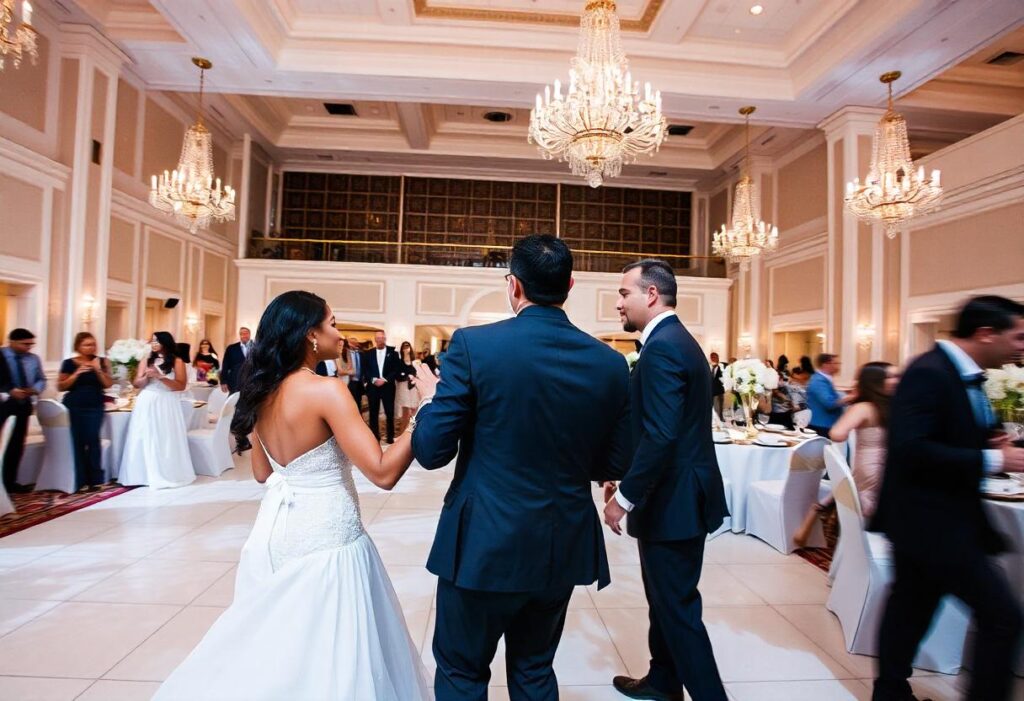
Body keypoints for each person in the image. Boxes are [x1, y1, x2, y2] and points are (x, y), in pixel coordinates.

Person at [155, 291, 431, 701]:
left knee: (287, 638)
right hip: (329, 535)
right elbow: (383, 471)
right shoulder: (327, 391)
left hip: (278, 531)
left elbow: (263, 473)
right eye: (333, 323)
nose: (340, 334)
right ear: (310, 335)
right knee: (333, 649)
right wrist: (425, 408)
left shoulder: (261, 390)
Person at [411, 235, 631, 701]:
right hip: (560, 540)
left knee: (462, 671)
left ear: (514, 286)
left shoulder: (474, 346)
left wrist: (431, 399)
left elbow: (431, 451)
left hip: (483, 542)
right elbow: (614, 461)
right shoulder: (611, 364)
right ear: (570, 285)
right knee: (534, 670)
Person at [870, 296, 1024, 701]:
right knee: (1003, 617)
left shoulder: (966, 376)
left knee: (911, 607)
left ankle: (889, 691)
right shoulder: (929, 372)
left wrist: (990, 439)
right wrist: (994, 459)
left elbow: (953, 431)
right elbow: (910, 449)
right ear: (986, 333)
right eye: (1018, 337)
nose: (1021, 346)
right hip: (931, 520)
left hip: (940, 518)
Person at [604, 259, 729, 701]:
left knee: (677, 610)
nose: (619, 303)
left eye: (624, 293)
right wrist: (621, 473)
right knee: (664, 600)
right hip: (676, 495)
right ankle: (662, 681)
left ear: (652, 294)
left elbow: (661, 435)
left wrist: (625, 497)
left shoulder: (663, 348)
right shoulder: (676, 341)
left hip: (674, 501)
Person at [793, 361, 896, 547]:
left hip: (882, 466)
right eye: (891, 377)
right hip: (873, 469)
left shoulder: (889, 406)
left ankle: (820, 510)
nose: (897, 380)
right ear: (876, 381)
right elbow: (837, 433)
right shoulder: (865, 408)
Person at [117, 332, 195, 489]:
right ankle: (141, 475)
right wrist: (146, 377)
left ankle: (167, 472)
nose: (153, 344)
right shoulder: (146, 360)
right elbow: (137, 384)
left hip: (166, 402)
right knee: (144, 435)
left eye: (157, 341)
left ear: (165, 342)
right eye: (152, 341)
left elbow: (180, 386)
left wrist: (160, 377)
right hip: (146, 401)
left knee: (165, 437)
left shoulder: (177, 361)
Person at [57, 332, 114, 492]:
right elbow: (61, 386)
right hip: (74, 404)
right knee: (77, 441)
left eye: (93, 344)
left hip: (95, 404)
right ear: (78, 346)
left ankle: (95, 479)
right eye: (87, 345)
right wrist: (77, 373)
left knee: (93, 439)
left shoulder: (102, 361)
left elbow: (108, 384)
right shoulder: (68, 363)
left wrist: (98, 370)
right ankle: (80, 480)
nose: (91, 347)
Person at [1, 329, 46, 493]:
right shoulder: (2, 356)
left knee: (16, 445)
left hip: (23, 405)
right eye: (25, 344)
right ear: (12, 341)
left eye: (31, 344)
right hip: (3, 405)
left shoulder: (33, 359)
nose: (28, 347)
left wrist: (34, 390)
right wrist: (9, 391)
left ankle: (10, 482)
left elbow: (41, 379)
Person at [360, 331, 401, 444]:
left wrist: (385, 380)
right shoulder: (368, 353)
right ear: (375, 339)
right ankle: (374, 437)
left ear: (385, 338)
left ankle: (390, 438)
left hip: (388, 387)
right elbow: (365, 370)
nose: (380, 340)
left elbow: (396, 370)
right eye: (378, 338)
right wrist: (373, 380)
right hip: (373, 388)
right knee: (373, 413)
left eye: (382, 338)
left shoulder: (393, 353)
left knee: (389, 413)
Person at [221, 327, 254, 451]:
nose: (244, 335)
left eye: (246, 333)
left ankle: (243, 439)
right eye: (241, 333)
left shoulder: (257, 347)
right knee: (234, 409)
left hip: (251, 384)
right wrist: (223, 381)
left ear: (249, 334)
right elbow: (225, 365)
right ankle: (241, 439)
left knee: (248, 411)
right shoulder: (232, 348)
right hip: (235, 383)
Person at [806, 353, 853, 437]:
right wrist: (851, 397)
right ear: (826, 364)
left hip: (827, 424)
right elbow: (830, 403)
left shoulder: (825, 379)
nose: (838, 366)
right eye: (836, 363)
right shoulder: (818, 381)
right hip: (822, 425)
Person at [394, 341, 418, 434]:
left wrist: (413, 377)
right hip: (403, 388)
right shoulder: (399, 362)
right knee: (406, 412)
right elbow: (397, 376)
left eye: (407, 346)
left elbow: (417, 373)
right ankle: (402, 433)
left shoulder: (414, 361)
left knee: (414, 411)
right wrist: (405, 376)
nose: (406, 349)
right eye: (404, 347)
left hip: (413, 388)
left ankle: (411, 432)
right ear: (402, 349)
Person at [346, 336, 365, 408]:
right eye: (352, 343)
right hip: (349, 381)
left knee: (358, 401)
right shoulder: (345, 354)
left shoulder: (361, 354)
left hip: (359, 381)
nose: (354, 345)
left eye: (355, 343)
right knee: (349, 402)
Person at [709, 352, 726, 420]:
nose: (714, 359)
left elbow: (724, 378)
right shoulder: (708, 367)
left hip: (719, 390)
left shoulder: (722, 367)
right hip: (710, 389)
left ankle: (720, 418)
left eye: (715, 357)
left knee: (719, 405)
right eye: (712, 358)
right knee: (711, 406)